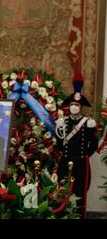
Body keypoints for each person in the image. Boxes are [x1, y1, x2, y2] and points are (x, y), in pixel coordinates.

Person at [56, 74, 98, 218]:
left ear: (81, 107)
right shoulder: (62, 122)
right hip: (65, 161)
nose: (74, 107)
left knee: (81, 192)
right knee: (61, 191)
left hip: (80, 162)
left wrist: (85, 154)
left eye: (77, 105)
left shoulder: (88, 123)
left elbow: (93, 143)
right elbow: (59, 143)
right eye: (72, 104)